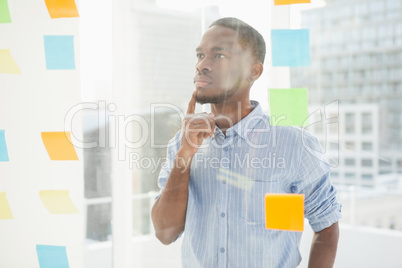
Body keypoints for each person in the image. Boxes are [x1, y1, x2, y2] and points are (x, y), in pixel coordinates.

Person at [151, 17, 341, 268]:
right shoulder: (181, 143)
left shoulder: (294, 144)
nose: (202, 65)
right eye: (200, 55)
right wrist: (184, 155)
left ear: (254, 71)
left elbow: (327, 227)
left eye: (218, 56)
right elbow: (166, 233)